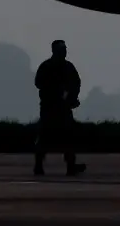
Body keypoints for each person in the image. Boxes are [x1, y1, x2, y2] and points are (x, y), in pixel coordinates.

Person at [33, 39, 86, 176]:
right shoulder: (50, 67)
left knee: (65, 137)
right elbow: (39, 83)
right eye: (62, 49)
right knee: (49, 136)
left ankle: (69, 165)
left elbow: (76, 84)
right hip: (52, 107)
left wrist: (72, 97)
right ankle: (40, 165)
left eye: (64, 49)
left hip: (58, 107)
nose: (64, 52)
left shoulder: (60, 66)